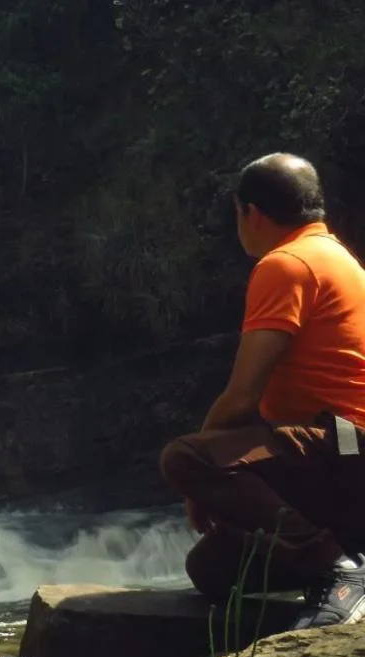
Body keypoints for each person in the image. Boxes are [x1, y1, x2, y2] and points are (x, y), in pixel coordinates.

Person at [159, 152, 365, 630]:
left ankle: (339, 570)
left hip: (348, 453)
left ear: (248, 212)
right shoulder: (339, 259)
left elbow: (241, 398)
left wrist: (203, 479)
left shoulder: (287, 265)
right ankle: (343, 550)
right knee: (211, 569)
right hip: (339, 461)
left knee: (183, 457)